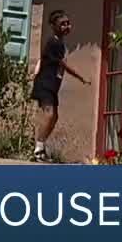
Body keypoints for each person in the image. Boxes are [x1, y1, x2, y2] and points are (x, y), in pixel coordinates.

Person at [30, 9, 87, 162]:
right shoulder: (53, 42)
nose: (66, 27)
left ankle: (41, 147)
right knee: (49, 115)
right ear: (54, 26)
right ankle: (38, 150)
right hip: (45, 84)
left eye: (68, 23)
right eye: (62, 24)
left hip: (52, 85)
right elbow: (63, 65)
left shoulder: (60, 44)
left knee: (54, 117)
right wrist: (81, 77)